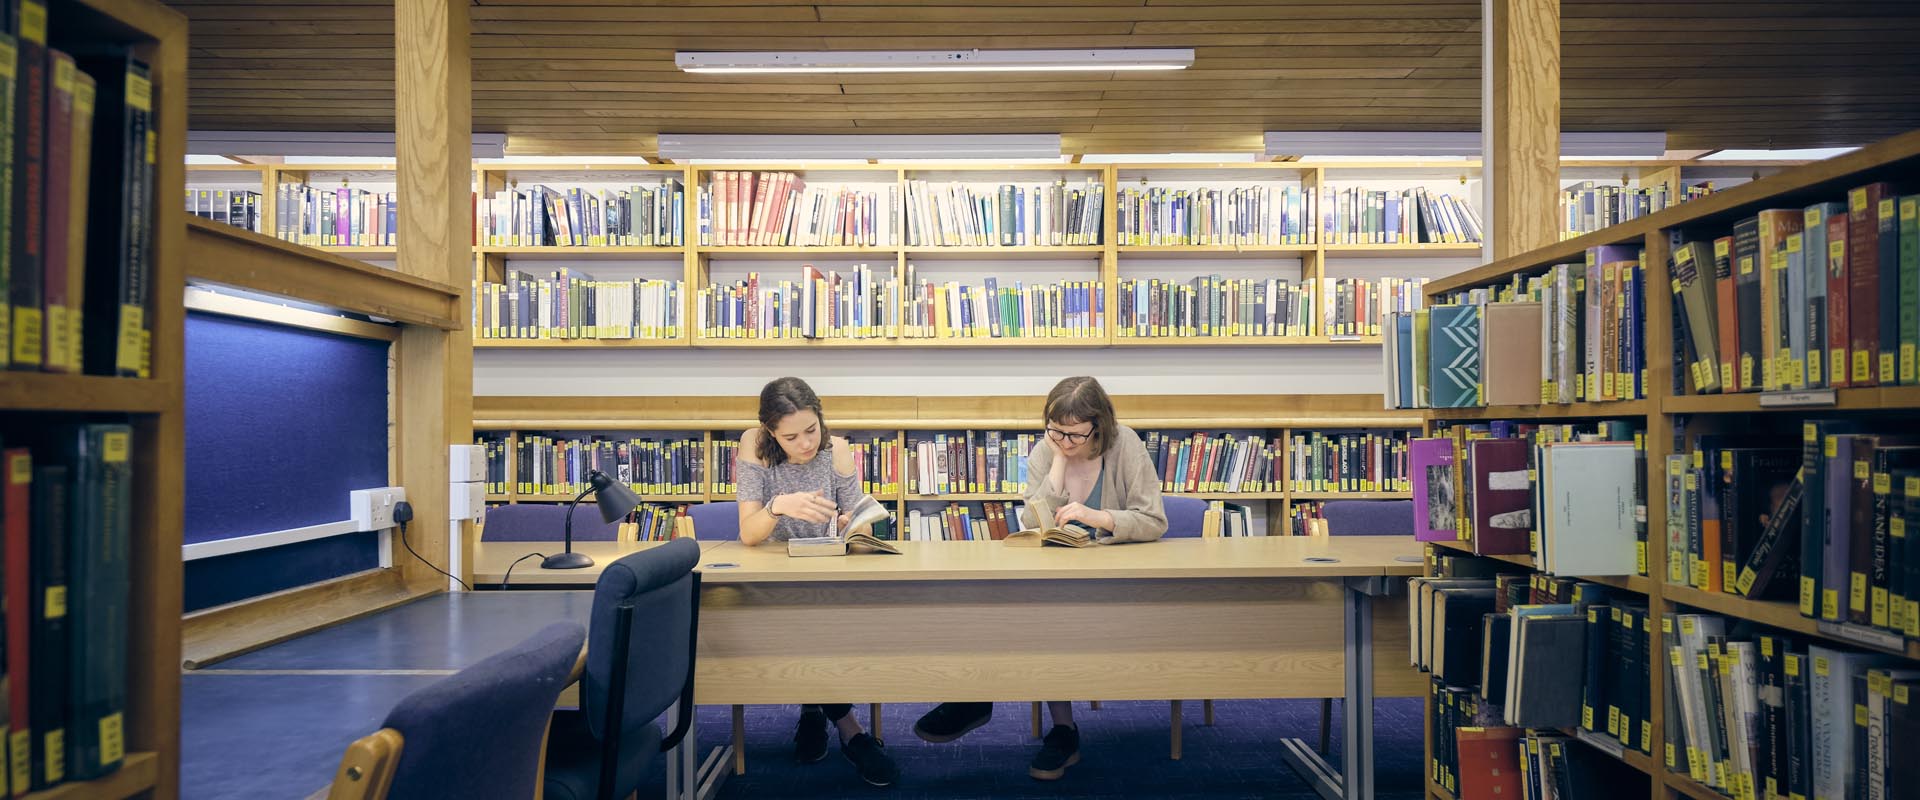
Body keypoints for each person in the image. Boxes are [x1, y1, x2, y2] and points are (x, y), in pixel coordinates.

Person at [910, 375, 1168, 780]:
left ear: (1099, 426)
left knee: (1045, 615)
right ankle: (1013, 710)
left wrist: (1097, 516)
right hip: (1062, 582)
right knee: (1016, 605)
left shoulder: (1126, 445)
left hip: (1119, 584)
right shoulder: (1046, 451)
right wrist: (1061, 464)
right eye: (1056, 431)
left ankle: (984, 700)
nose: (1064, 441)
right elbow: (1032, 520)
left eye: (1075, 435)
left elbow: (1154, 520)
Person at [736, 376, 900, 788]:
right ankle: (851, 731)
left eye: (812, 430)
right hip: (772, 578)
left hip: (829, 572)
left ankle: (814, 712)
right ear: (771, 432)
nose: (806, 443)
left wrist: (850, 521)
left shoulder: (837, 449)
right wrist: (777, 505)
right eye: (791, 437)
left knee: (821, 620)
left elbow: (858, 514)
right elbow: (749, 534)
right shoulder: (753, 446)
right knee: (804, 624)